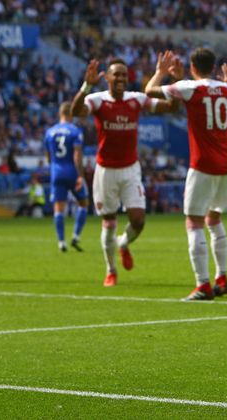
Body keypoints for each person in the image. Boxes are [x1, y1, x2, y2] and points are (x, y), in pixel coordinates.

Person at [144, 48, 227, 301]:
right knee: (214, 219)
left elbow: (149, 91)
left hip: (202, 163)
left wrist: (160, 73)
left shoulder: (190, 87)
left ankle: (203, 284)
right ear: (214, 67)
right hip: (226, 163)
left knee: (193, 222)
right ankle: (222, 277)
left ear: (193, 66)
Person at [72, 58, 176, 287]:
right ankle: (111, 270)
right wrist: (85, 86)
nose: (119, 78)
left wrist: (171, 80)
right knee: (108, 223)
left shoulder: (136, 99)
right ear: (107, 78)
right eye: (115, 74)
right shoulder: (96, 100)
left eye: (123, 74)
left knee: (138, 221)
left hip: (130, 169)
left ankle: (124, 244)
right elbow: (76, 111)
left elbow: (172, 107)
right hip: (106, 171)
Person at [44, 101, 89, 252]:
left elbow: (48, 157)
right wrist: (80, 175)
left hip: (56, 172)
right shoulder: (75, 131)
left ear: (60, 114)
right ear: (72, 114)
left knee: (58, 208)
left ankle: (61, 242)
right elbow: (77, 155)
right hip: (72, 171)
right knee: (83, 203)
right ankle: (75, 236)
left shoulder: (49, 132)